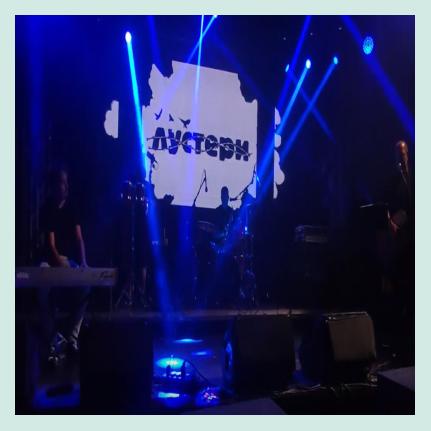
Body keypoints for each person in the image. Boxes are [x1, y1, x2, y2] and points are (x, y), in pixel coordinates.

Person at [39, 168, 90, 362]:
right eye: (61, 182)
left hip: (67, 260)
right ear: (54, 185)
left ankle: (72, 337)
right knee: (43, 289)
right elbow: (51, 245)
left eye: (66, 182)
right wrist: (61, 265)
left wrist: (83, 263)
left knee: (86, 286)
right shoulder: (47, 208)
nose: (65, 186)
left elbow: (79, 239)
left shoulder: (72, 207)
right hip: (50, 260)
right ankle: (53, 336)